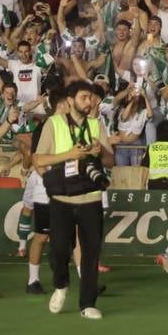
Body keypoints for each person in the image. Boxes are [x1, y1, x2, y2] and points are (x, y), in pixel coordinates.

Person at [34, 81, 115, 319]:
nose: (89, 102)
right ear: (70, 100)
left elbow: (110, 161)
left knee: (91, 253)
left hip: (90, 197)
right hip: (62, 198)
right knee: (59, 249)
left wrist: (101, 150)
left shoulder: (96, 124)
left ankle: (88, 303)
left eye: (90, 98)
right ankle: (61, 284)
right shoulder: (54, 123)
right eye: (84, 97)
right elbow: (38, 159)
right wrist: (69, 154)